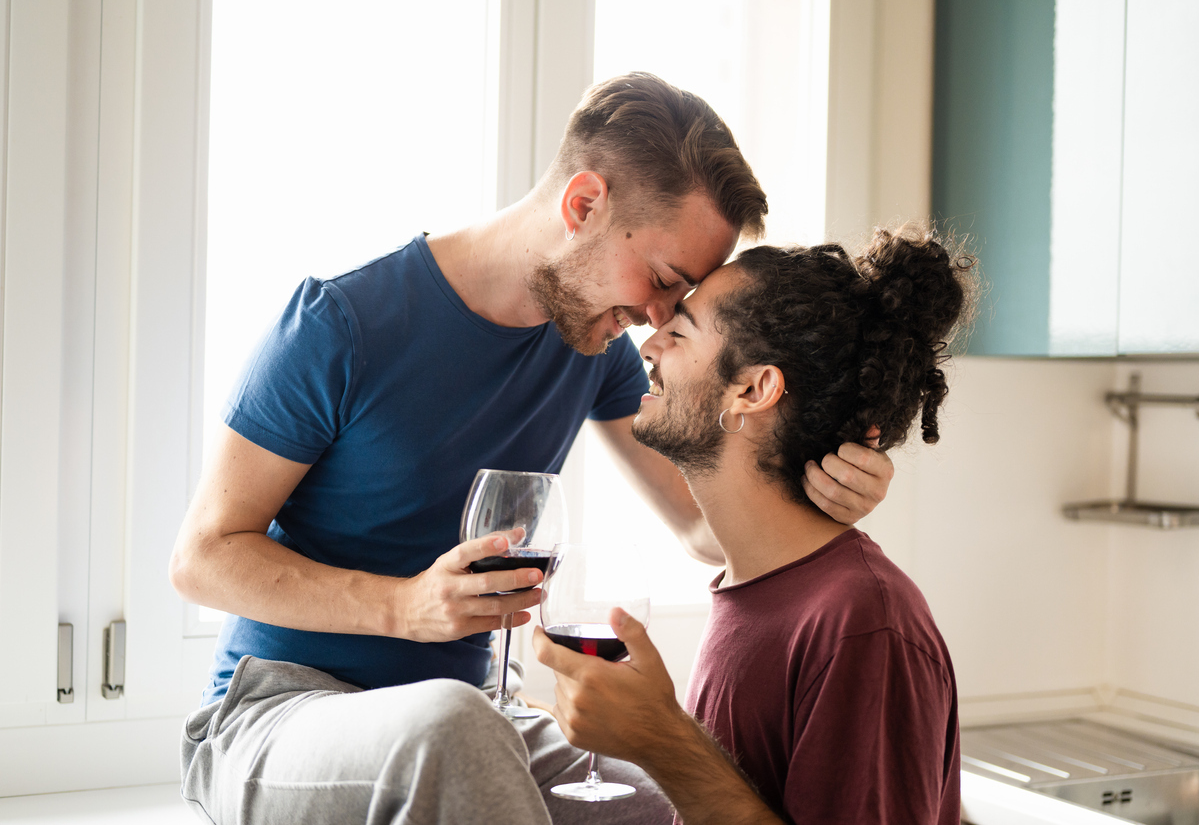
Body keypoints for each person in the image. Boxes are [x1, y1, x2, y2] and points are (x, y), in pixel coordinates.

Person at [169, 72, 894, 825]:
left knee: (671, 803)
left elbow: (703, 528)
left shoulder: (592, 346)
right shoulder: (340, 323)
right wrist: (406, 607)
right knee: (455, 727)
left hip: (473, 716)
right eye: (661, 280)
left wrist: (824, 491)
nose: (654, 322)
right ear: (583, 205)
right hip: (275, 716)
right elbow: (202, 557)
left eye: (678, 304)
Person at [534, 227, 975, 825]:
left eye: (680, 329)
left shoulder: (863, 623)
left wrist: (663, 738)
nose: (648, 344)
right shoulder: (754, 587)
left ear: (753, 388)